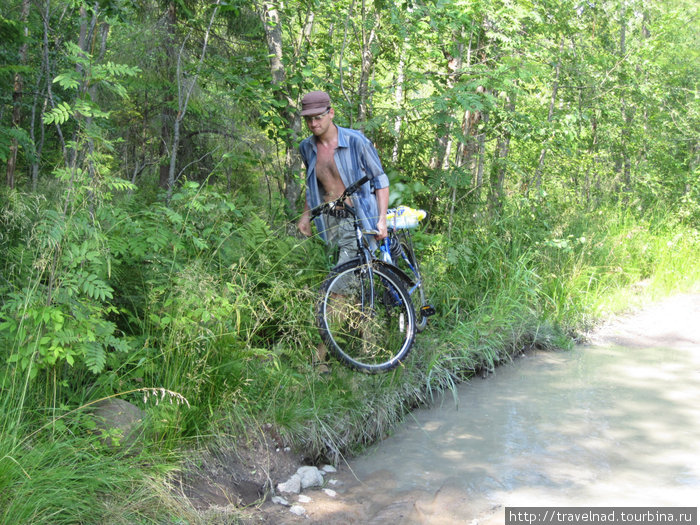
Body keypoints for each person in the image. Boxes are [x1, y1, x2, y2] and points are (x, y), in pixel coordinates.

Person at [296, 90, 390, 371]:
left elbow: (380, 180)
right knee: (350, 286)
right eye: (308, 120)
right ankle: (370, 343)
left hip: (357, 221)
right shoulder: (306, 147)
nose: (313, 124)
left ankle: (320, 358)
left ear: (331, 113)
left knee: (336, 289)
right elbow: (314, 185)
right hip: (328, 223)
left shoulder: (355, 141)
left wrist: (381, 219)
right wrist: (305, 215)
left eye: (318, 118)